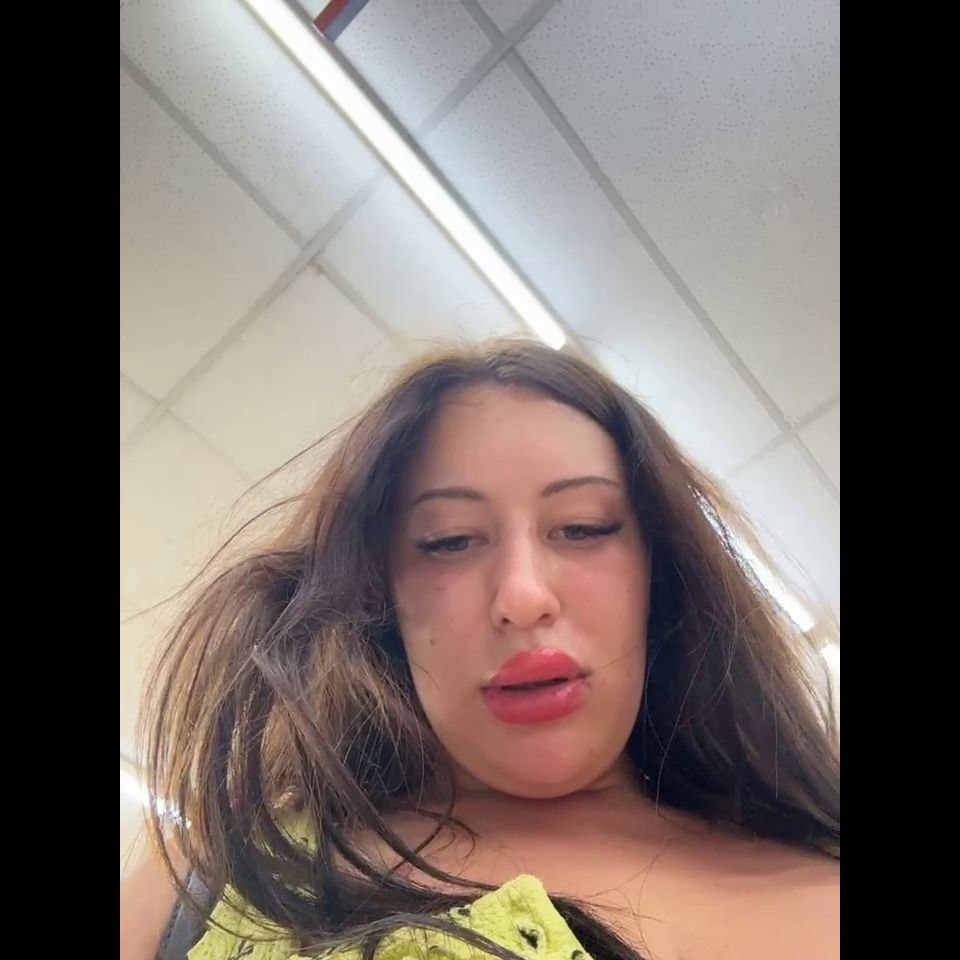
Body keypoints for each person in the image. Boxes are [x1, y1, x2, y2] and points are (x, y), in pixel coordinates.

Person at [120, 340, 840, 960]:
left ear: (662, 569)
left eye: (584, 528)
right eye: (449, 541)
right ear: (378, 595)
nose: (523, 596)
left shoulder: (818, 880)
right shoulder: (227, 868)